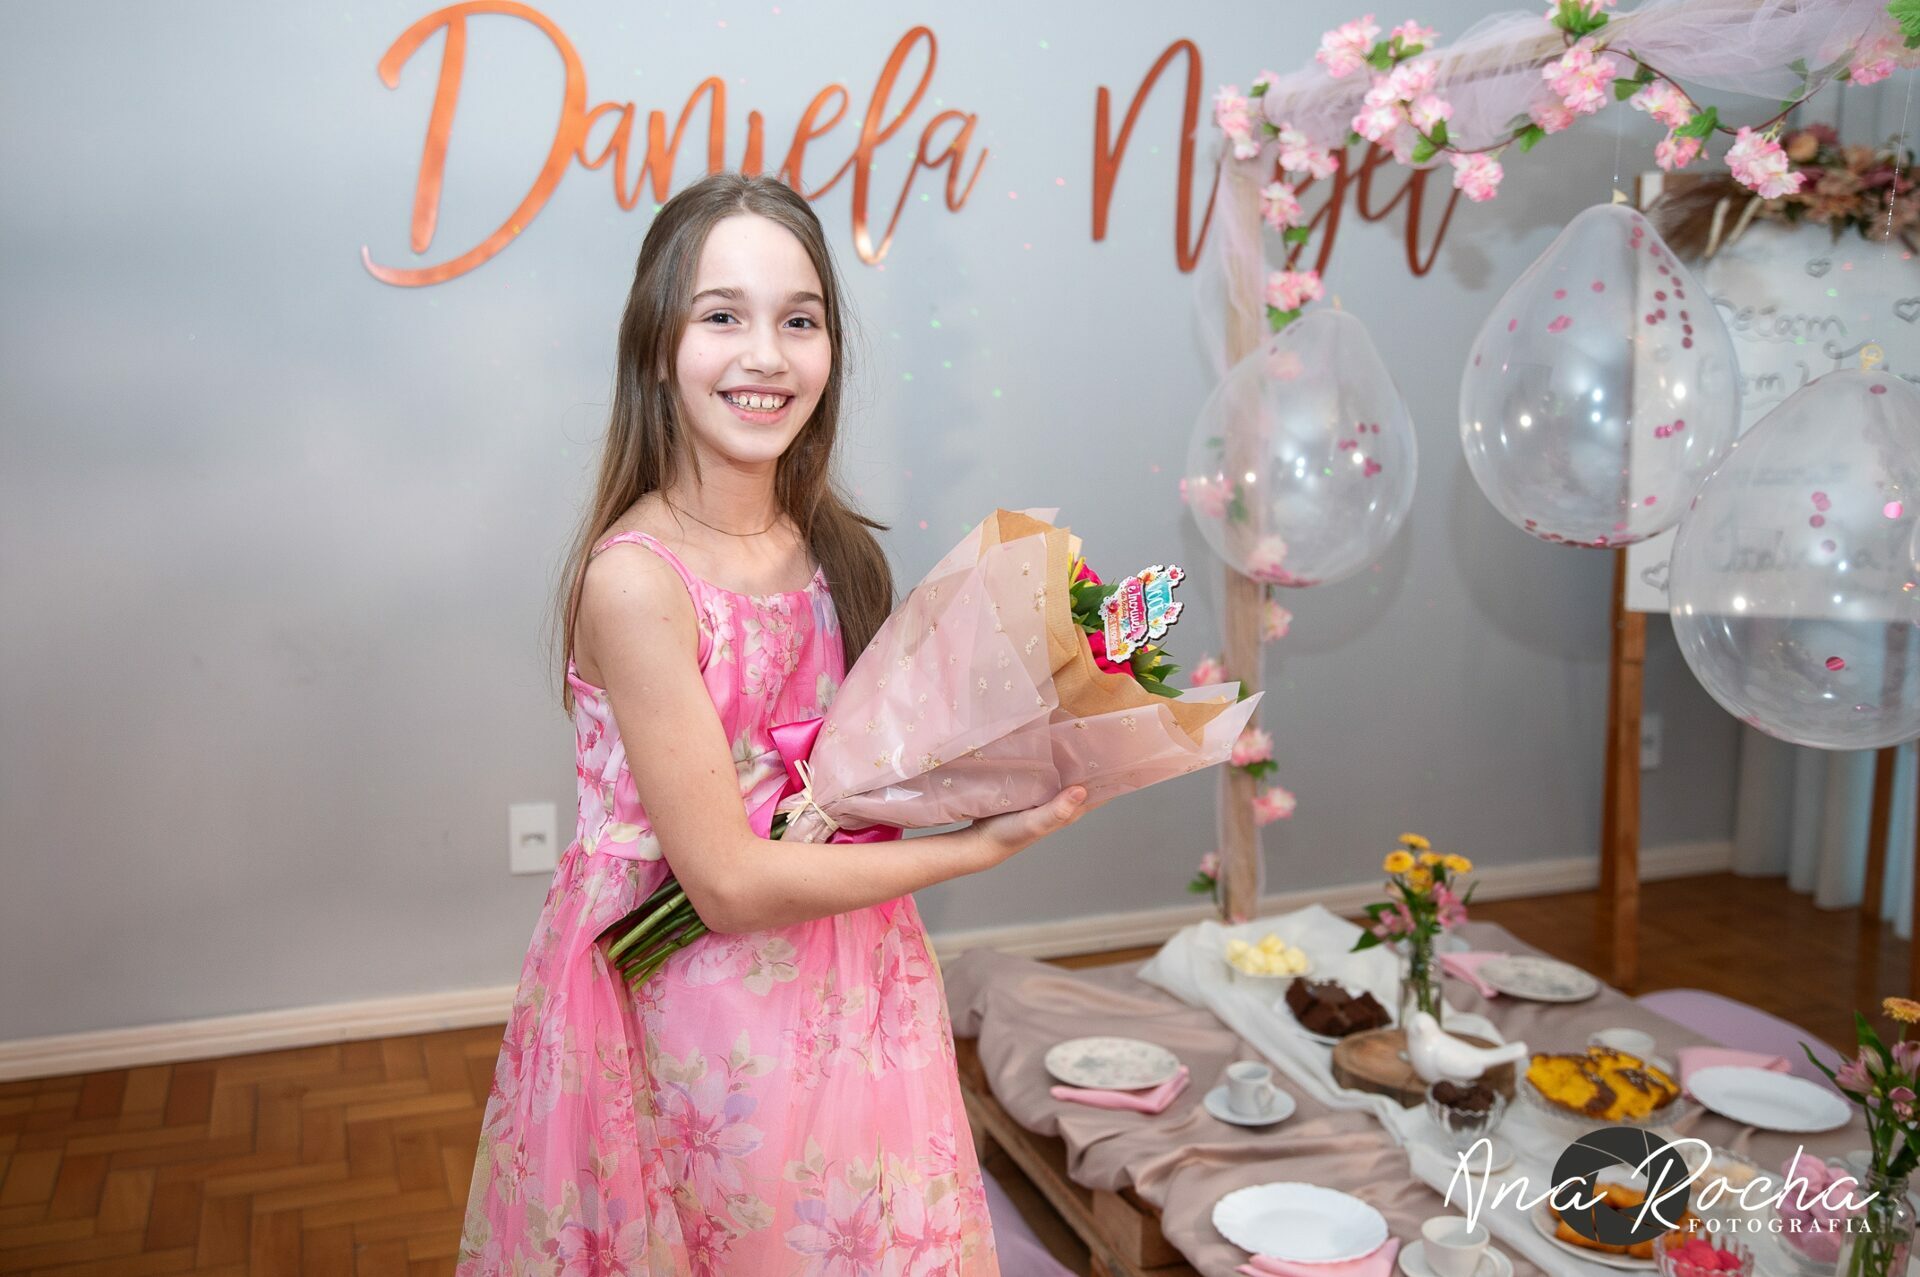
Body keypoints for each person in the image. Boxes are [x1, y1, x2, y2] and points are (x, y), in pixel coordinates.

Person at [456, 170, 1088, 1275]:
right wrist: (978, 847)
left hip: (849, 968)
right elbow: (728, 885)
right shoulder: (639, 582)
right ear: (657, 346)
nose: (767, 356)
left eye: (800, 320)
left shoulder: (832, 548)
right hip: (685, 1009)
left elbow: (867, 764)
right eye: (722, 316)